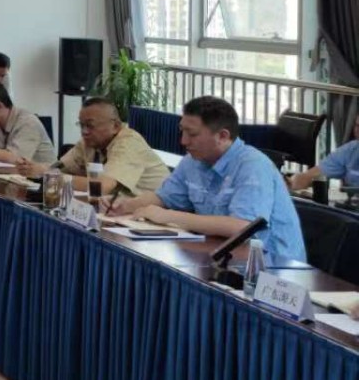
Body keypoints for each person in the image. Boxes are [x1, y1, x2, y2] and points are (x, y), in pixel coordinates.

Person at [109, 96, 306, 264]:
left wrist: (169, 216)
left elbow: (242, 226)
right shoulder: (193, 160)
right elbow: (164, 198)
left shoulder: (253, 165)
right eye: (182, 131)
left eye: (192, 134)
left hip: (273, 267)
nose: (183, 141)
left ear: (222, 136)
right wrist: (126, 205)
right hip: (220, 256)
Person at [10, 97, 170, 199]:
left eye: (90, 126)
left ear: (115, 126)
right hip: (118, 211)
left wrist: (50, 176)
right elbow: (59, 168)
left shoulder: (129, 143)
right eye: (81, 125)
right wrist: (37, 169)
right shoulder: (89, 142)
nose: (84, 132)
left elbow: (102, 187)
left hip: (157, 216)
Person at [289, 113, 359, 194]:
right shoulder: (350, 150)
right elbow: (310, 174)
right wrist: (292, 182)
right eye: (357, 126)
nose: (358, 131)